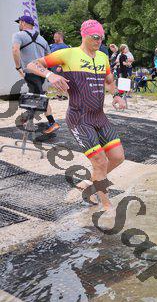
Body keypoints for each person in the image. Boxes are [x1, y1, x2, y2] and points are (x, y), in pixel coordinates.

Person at [26, 20, 127, 212]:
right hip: (79, 118)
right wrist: (50, 75)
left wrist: (116, 95)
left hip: (99, 117)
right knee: (100, 162)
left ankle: (91, 183)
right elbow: (32, 64)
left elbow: (109, 81)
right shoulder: (68, 53)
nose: (99, 40)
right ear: (84, 35)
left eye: (101, 37)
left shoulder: (103, 57)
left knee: (117, 156)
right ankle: (107, 207)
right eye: (95, 37)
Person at [11, 15, 59, 134]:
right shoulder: (42, 39)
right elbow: (49, 57)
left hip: (30, 71)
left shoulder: (18, 35)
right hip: (41, 74)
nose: (19, 25)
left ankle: (52, 122)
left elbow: (15, 50)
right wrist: (46, 72)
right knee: (35, 95)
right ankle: (27, 119)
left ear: (23, 22)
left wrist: (18, 67)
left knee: (39, 96)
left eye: (19, 22)